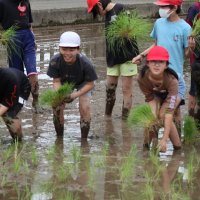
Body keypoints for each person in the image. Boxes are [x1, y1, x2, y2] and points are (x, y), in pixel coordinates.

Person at [132, 0, 194, 137]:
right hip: (156, 75)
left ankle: (177, 139)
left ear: (174, 7)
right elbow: (156, 44)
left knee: (175, 111)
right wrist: (142, 55)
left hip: (174, 75)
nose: (161, 9)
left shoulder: (185, 28)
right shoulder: (159, 23)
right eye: (160, 6)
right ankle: (152, 143)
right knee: (154, 110)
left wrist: (191, 48)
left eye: (164, 6)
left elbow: (186, 54)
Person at [87, 0, 139, 119]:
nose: (98, 14)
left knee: (126, 90)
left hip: (127, 57)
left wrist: (127, 33)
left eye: (96, 11)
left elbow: (133, 30)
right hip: (112, 59)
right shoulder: (107, 15)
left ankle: (125, 120)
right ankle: (107, 117)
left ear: (100, 4)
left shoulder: (121, 8)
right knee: (109, 88)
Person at [47, 31, 98, 139]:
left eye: (72, 50)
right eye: (64, 49)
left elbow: (91, 84)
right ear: (59, 48)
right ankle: (59, 138)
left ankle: (84, 139)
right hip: (65, 82)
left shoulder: (86, 63)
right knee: (56, 107)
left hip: (83, 83)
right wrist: (60, 95)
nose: (67, 53)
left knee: (84, 108)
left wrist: (74, 95)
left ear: (78, 49)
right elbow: (56, 81)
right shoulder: (55, 61)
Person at [138, 46, 181, 152]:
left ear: (166, 65)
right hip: (155, 94)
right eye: (153, 61)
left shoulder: (172, 81)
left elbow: (169, 112)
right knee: (151, 117)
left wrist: (164, 139)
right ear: (147, 63)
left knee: (163, 115)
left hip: (174, 93)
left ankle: (177, 147)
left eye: (161, 62)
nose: (157, 65)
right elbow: (150, 98)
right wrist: (153, 117)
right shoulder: (142, 78)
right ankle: (146, 147)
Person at [0, 0, 41, 113]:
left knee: (32, 71)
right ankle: (17, 103)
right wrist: (2, 37)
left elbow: (29, 23)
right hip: (12, 38)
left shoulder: (26, 2)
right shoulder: (2, 3)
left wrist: (34, 39)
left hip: (28, 37)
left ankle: (36, 101)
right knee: (16, 74)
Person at [0, 67, 31, 141]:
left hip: (22, 89)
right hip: (4, 89)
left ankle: (18, 140)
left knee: (8, 114)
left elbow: (7, 105)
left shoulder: (10, 79)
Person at [186, 1, 200, 116]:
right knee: (194, 89)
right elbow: (188, 30)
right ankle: (191, 116)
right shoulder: (194, 8)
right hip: (196, 56)